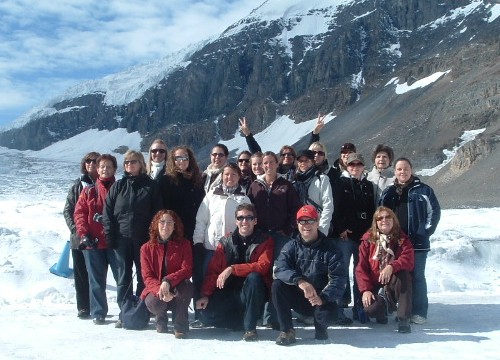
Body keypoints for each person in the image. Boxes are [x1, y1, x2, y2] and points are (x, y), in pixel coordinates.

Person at [195, 204, 274, 341]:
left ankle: (250, 328)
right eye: (241, 218)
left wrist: (232, 268)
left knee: (254, 277)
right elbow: (213, 271)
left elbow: (262, 266)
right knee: (204, 314)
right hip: (230, 292)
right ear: (236, 221)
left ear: (255, 220)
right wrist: (205, 295)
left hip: (251, 294)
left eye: (249, 218)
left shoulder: (265, 240)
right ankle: (239, 321)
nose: (245, 221)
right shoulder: (226, 241)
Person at [102, 150, 162, 327]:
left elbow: (157, 214)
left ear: (141, 164)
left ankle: (142, 311)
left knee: (144, 278)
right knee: (123, 278)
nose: (130, 165)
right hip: (121, 240)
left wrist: (154, 238)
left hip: (144, 241)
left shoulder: (150, 186)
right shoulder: (118, 186)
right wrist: (110, 236)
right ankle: (124, 312)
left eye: (133, 162)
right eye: (127, 162)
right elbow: (107, 213)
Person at [272, 205, 346, 345]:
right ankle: (287, 330)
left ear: (317, 223)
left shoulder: (331, 249)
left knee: (326, 319)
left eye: (310, 221)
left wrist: (322, 298)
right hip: (300, 296)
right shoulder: (291, 246)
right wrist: (299, 281)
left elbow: (339, 280)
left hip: (322, 299)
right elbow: (280, 268)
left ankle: (321, 328)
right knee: (277, 285)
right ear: (297, 224)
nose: (306, 225)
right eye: (302, 221)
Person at [379, 157, 441, 325]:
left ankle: (419, 311)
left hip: (417, 243)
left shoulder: (424, 190)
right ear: (395, 172)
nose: (402, 172)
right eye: (399, 169)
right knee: (399, 275)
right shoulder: (389, 192)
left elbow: (434, 212)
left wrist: (425, 232)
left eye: (406, 168)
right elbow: (381, 213)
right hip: (394, 244)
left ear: (411, 170)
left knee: (418, 276)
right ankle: (398, 308)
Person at [247, 151, 301, 328]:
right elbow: (249, 209)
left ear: (277, 164)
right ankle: (256, 313)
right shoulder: (255, 185)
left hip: (281, 236)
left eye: (271, 162)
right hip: (261, 236)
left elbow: (295, 209)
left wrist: (288, 229)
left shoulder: (286, 185)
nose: (268, 165)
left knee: (278, 274)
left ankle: (273, 316)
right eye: (265, 163)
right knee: (260, 273)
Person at [192, 163, 251, 324]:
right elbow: (201, 220)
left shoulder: (244, 198)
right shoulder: (212, 195)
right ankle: (201, 315)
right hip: (211, 247)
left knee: (228, 283)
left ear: (239, 177)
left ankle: (228, 315)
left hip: (232, 250)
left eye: (233, 175)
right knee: (205, 280)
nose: (229, 178)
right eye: (226, 174)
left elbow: (247, 225)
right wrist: (198, 241)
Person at [74, 154, 120, 325]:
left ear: (115, 169)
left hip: (115, 243)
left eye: (108, 166)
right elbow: (80, 214)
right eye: (102, 166)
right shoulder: (89, 191)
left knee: (121, 278)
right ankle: (98, 311)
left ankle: (125, 309)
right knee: (96, 280)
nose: (105, 169)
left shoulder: (120, 189)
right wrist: (84, 234)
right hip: (93, 242)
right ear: (97, 170)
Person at [355, 207, 414, 333]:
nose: (384, 220)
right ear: (375, 222)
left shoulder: (401, 239)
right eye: (380, 218)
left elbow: (408, 259)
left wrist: (392, 266)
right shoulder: (367, 241)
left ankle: (403, 318)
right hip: (375, 284)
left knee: (404, 275)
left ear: (394, 220)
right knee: (371, 309)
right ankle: (382, 313)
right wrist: (366, 290)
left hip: (393, 283)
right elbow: (361, 268)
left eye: (388, 217)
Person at [332, 153, 375, 322]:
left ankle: (360, 307)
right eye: (351, 165)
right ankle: (338, 308)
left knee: (361, 272)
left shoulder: (368, 186)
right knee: (340, 271)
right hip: (345, 237)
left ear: (363, 166)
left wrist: (371, 233)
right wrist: (340, 228)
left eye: (358, 164)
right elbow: (335, 208)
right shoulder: (339, 183)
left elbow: (373, 211)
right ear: (346, 166)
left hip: (364, 237)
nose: (355, 167)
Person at [140, 210, 193, 338]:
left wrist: (168, 281)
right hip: (157, 289)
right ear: (156, 225)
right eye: (162, 222)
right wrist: (160, 290)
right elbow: (147, 276)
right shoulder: (146, 248)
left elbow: (187, 269)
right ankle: (161, 318)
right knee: (154, 302)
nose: (165, 226)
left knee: (187, 287)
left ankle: (180, 324)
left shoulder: (184, 244)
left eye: (170, 222)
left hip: (177, 287)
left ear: (175, 226)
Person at [63, 151, 99, 319]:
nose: (91, 164)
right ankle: (83, 307)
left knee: (97, 274)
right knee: (80, 274)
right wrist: (75, 230)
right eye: (88, 161)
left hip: (98, 238)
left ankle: (98, 306)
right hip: (79, 239)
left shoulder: (105, 184)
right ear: (84, 164)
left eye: (95, 161)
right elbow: (68, 210)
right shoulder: (77, 186)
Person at [159, 145, 205, 242]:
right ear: (173, 160)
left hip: (195, 229)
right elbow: (163, 207)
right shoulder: (166, 180)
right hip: (175, 230)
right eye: (178, 158)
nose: (182, 161)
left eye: (185, 158)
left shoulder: (198, 179)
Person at [293, 149, 333, 235]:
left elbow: (328, 205)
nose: (303, 163)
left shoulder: (322, 179)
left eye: (307, 160)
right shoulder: (294, 181)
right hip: (301, 228)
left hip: (318, 225)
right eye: (301, 161)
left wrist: (323, 229)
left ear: (312, 162)